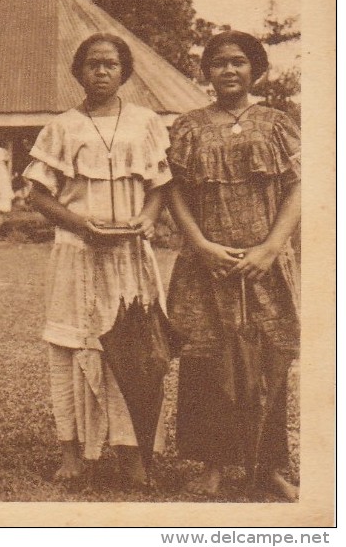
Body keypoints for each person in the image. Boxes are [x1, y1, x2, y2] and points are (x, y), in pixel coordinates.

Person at [22, 33, 171, 487]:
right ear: (79, 71)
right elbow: (37, 195)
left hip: (129, 255)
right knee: (70, 347)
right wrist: (80, 225)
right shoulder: (62, 127)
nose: (101, 72)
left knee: (134, 347)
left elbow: (160, 183)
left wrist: (146, 218)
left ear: (124, 71)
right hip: (78, 253)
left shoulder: (145, 122)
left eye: (110, 64)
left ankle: (132, 453)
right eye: (92, 64)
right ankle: (72, 452)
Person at [167, 31, 300, 500]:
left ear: (255, 70)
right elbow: (174, 191)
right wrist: (200, 244)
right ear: (207, 72)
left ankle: (266, 467)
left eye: (239, 63)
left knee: (268, 359)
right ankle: (212, 464)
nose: (228, 71)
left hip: (264, 262)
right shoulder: (189, 126)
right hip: (208, 264)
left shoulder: (277, 123)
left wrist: (269, 249)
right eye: (219, 63)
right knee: (207, 361)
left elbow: (298, 188)